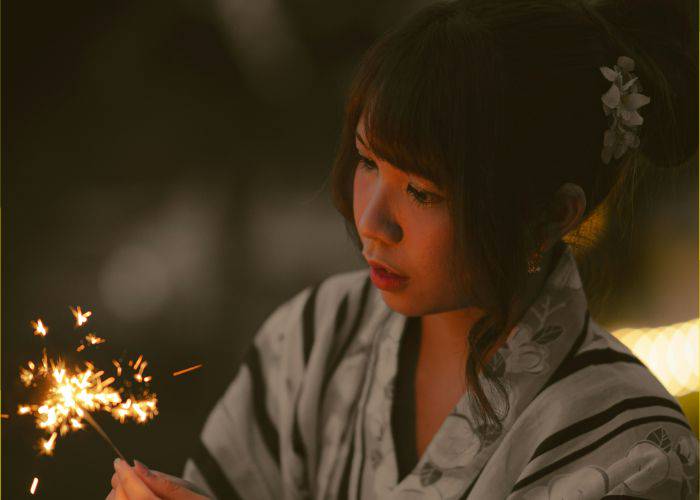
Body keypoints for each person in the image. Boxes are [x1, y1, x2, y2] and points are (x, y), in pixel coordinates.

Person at [105, 0, 699, 498]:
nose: (371, 221)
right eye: (367, 162)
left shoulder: (635, 450)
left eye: (422, 191)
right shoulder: (313, 339)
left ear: (550, 214)